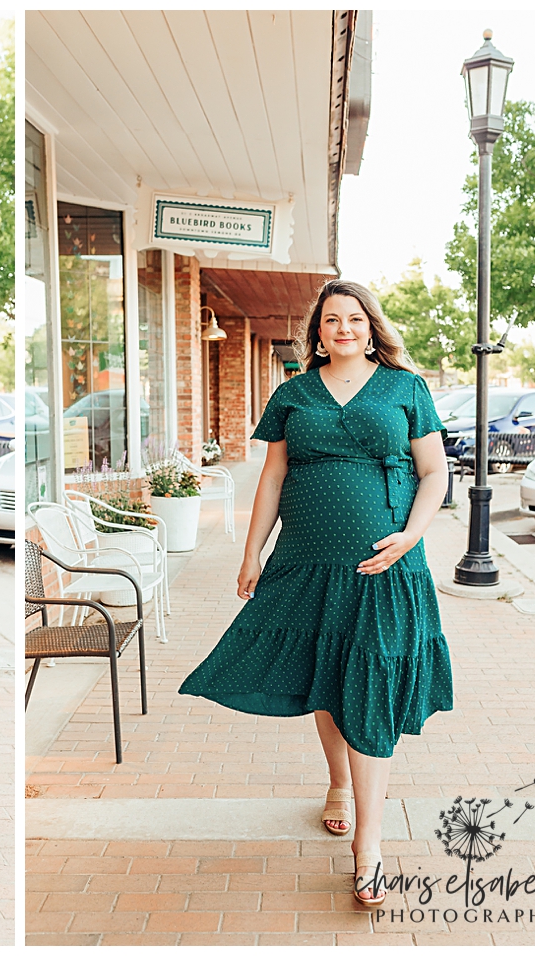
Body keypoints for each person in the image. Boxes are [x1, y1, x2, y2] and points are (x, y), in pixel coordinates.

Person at [178, 279, 454, 907]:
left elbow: (435, 471)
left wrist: (412, 537)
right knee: (326, 674)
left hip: (382, 564)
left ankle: (369, 845)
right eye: (332, 321)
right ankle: (338, 782)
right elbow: (273, 475)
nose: (344, 329)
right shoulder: (293, 393)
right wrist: (250, 552)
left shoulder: (405, 388)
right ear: (318, 332)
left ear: (371, 326)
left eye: (354, 319)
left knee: (370, 687)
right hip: (304, 561)